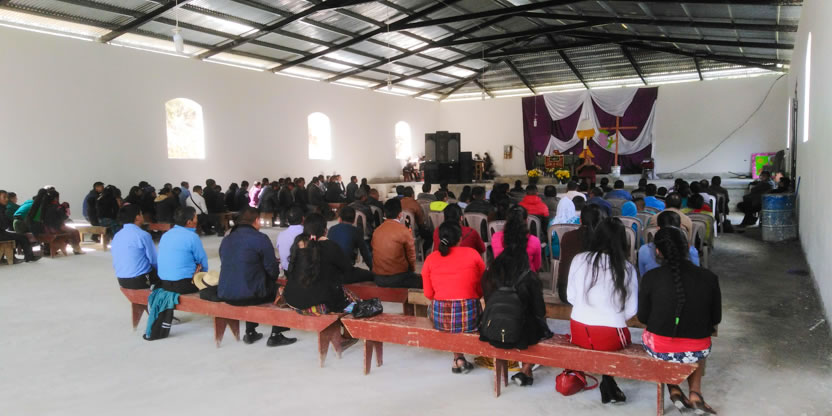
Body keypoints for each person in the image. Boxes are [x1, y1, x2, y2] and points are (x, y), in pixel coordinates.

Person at [639, 227, 721, 415]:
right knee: (697, 342)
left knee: (660, 341)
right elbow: (716, 319)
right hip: (698, 348)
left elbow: (643, 317)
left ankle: (674, 389)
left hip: (660, 348)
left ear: (658, 251)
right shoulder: (709, 277)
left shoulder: (650, 278)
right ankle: (695, 394)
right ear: (688, 247)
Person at [567, 217, 638, 404]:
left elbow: (570, 297)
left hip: (579, 332)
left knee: (599, 340)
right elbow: (631, 310)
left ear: (596, 236)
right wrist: (610, 315)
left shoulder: (579, 259)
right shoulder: (627, 268)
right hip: (611, 336)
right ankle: (608, 380)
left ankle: (607, 381)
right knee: (616, 340)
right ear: (623, 240)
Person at [480, 216, 553, 385]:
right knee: (535, 324)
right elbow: (540, 311)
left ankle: (524, 370)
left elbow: (489, 302)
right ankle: (526, 368)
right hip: (520, 336)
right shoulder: (529, 277)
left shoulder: (489, 275)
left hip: (492, 331)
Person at [218, 207, 296, 347]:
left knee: (251, 281)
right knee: (281, 290)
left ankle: (250, 332)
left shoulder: (227, 239)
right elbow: (272, 269)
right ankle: (276, 335)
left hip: (226, 292)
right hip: (251, 294)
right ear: (257, 220)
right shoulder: (260, 238)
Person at [422, 222, 485, 373]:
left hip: (441, 318)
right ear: (460, 238)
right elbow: (483, 285)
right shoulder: (472, 254)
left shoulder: (430, 258)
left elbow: (428, 294)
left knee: (435, 309)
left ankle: (458, 358)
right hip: (470, 316)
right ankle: (459, 358)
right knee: (472, 312)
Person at [284, 213, 362, 316]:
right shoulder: (329, 246)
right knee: (353, 301)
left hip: (292, 299)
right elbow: (348, 269)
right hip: (314, 304)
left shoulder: (298, 243)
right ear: (325, 230)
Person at [556, 205, 602, 304]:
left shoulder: (567, 236)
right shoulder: (602, 240)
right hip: (592, 295)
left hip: (565, 293)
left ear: (580, 220)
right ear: (599, 221)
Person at [157, 207, 209, 294]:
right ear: (189, 222)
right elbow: (202, 260)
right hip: (185, 285)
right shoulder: (192, 237)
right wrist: (203, 276)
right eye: (196, 217)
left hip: (165, 283)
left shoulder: (166, 235)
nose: (197, 220)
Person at [371, 198, 421, 288]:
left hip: (378, 279)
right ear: (400, 214)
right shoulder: (404, 231)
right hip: (398, 278)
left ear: (385, 214)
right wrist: (412, 271)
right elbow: (411, 256)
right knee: (424, 281)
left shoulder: (376, 231)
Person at [638, 211, 700, 276]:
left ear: (658, 229)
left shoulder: (644, 250)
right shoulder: (692, 251)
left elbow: (643, 276)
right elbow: (695, 275)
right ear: (680, 228)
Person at [111, 204, 157, 288]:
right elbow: (154, 260)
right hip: (140, 280)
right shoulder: (143, 235)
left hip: (121, 280)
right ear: (137, 217)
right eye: (141, 214)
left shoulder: (117, 235)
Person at [327, 206, 375, 283]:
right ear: (354, 220)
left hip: (330, 272)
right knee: (371, 275)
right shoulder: (356, 231)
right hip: (346, 273)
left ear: (340, 219)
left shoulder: (331, 229)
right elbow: (365, 254)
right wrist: (373, 268)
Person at [492, 205, 542, 272]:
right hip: (527, 277)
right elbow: (537, 266)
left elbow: (496, 259)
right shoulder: (535, 241)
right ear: (526, 220)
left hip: (502, 276)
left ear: (507, 220)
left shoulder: (495, 237)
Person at [35, 189, 83, 255]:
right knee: (74, 232)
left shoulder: (43, 206)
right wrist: (66, 208)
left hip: (46, 229)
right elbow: (64, 217)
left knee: (69, 230)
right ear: (55, 198)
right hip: (56, 228)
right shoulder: (57, 207)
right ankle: (76, 249)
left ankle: (48, 248)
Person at [0, 190, 38, 263]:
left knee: (17, 236)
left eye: (7, 197)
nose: (6, 199)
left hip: (2, 232)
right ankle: (28, 257)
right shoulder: (2, 209)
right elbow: (3, 225)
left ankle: (9, 257)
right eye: (4, 197)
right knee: (22, 237)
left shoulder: (3, 207)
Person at [276, 206, 305, 272]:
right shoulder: (306, 233)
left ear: (287, 220)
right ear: (303, 218)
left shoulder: (281, 235)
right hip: (302, 271)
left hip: (287, 270)